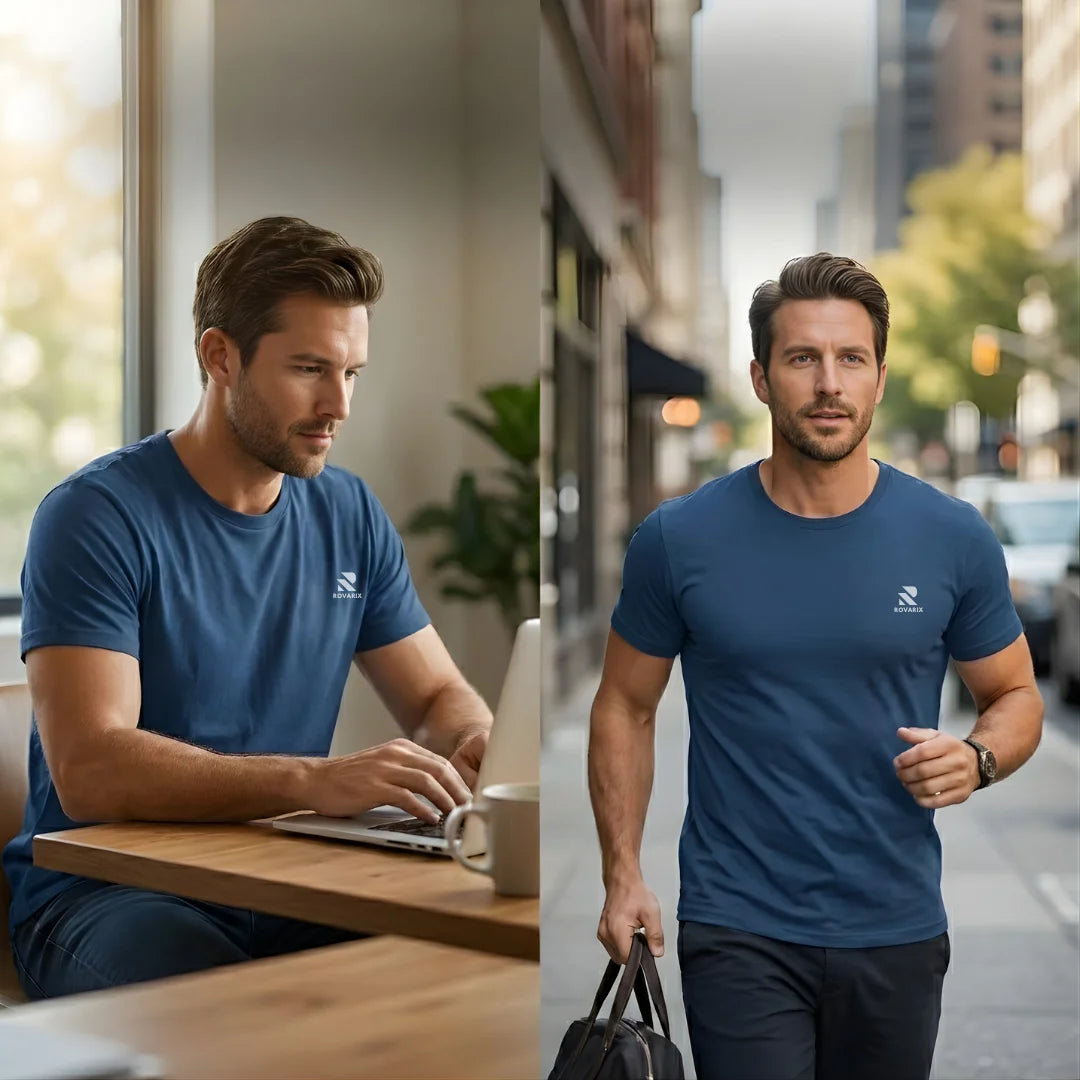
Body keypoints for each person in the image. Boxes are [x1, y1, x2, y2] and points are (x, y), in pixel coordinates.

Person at [3, 216, 493, 999]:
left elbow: (435, 695)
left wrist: (474, 746)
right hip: (108, 898)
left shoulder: (349, 514)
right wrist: (314, 780)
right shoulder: (95, 516)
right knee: (244, 1011)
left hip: (287, 879)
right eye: (309, 368)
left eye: (352, 372)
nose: (338, 404)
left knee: (465, 970)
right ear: (219, 356)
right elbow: (92, 767)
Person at [589, 253, 1043, 1080]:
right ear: (762, 378)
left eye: (850, 359)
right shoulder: (679, 538)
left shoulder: (951, 536)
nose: (828, 382)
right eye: (803, 358)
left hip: (897, 925)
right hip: (740, 924)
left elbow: (1015, 695)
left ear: (877, 376)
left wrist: (976, 758)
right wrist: (623, 877)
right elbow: (626, 705)